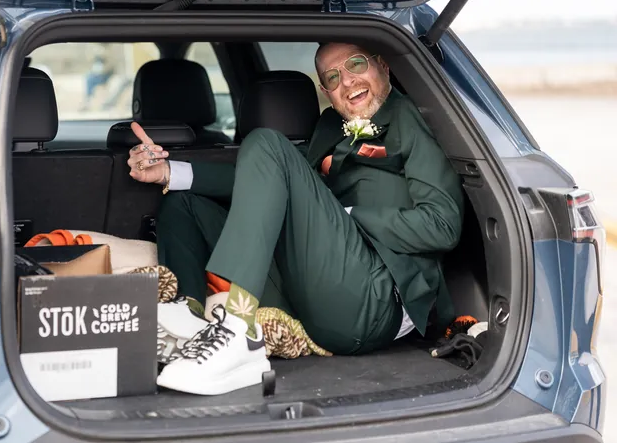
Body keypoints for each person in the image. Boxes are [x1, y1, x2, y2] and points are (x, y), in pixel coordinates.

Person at [127, 42, 465, 396]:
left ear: (383, 66)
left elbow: (443, 226)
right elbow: (267, 181)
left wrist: (351, 217)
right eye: (333, 77)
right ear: (325, 92)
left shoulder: (409, 119)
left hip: (374, 300)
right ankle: (189, 316)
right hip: (315, 288)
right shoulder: (330, 126)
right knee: (184, 203)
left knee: (266, 143)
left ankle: (238, 331)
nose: (347, 82)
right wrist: (169, 172)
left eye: (356, 65)